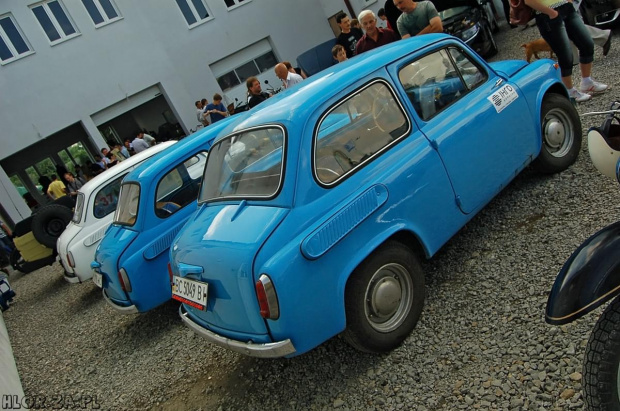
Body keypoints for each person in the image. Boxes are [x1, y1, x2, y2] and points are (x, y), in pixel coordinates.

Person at [524, 0, 608, 102]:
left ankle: (587, 81)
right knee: (565, 54)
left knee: (586, 44)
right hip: (547, 15)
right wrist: (550, 12)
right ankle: (570, 91)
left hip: (566, 7)